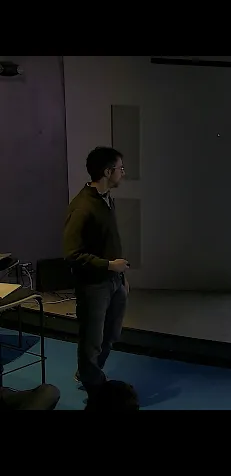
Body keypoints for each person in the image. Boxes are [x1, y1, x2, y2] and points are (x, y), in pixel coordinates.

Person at [63, 146, 129, 395]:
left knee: (111, 334)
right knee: (92, 339)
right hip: (94, 286)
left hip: (115, 281)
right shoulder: (82, 207)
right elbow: (72, 254)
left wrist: (121, 276)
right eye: (120, 168)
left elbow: (111, 242)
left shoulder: (106, 200)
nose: (123, 173)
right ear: (107, 172)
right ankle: (94, 386)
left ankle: (89, 372)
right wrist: (109, 266)